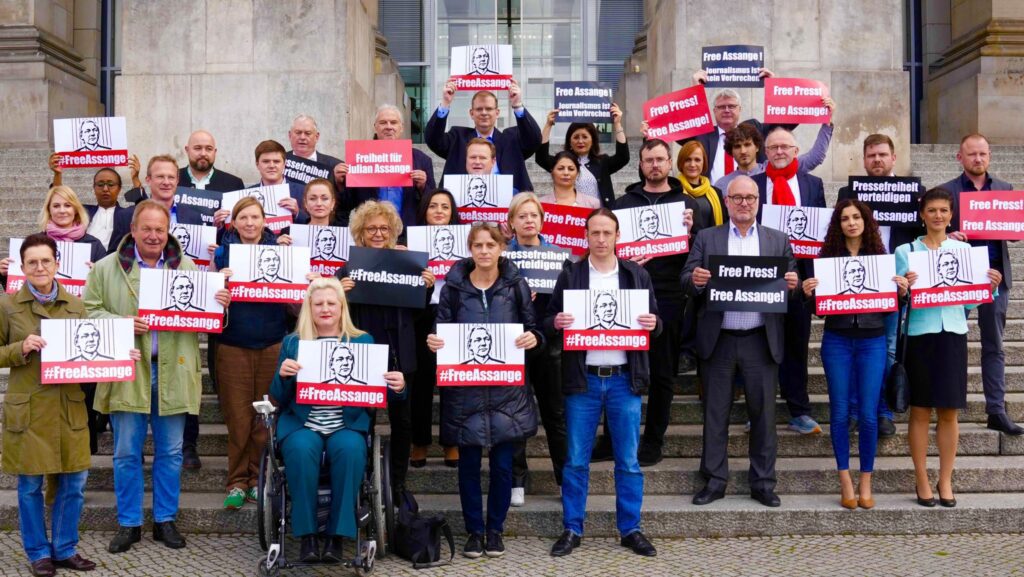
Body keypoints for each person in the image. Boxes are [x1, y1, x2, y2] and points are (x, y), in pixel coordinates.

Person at [84, 200, 230, 553]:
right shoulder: (106, 268)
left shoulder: (190, 268)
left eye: (159, 230)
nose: (153, 235)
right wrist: (119, 325)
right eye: (146, 228)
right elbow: (89, 312)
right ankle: (129, 523)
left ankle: (165, 520)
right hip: (128, 371)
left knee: (171, 452)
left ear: (169, 233)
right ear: (132, 230)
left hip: (174, 369)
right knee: (125, 452)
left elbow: (207, 319)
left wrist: (220, 303)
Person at [1, 234, 139, 576]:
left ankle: (64, 548)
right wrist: (21, 347)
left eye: (46, 261)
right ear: (22, 267)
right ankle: (37, 553)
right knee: (31, 485)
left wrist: (121, 354)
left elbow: (90, 352)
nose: (39, 267)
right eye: (32, 262)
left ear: (57, 264)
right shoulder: (7, 306)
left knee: (74, 483)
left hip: (69, 406)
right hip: (30, 408)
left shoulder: (76, 305)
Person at [545, 208, 660, 558]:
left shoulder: (636, 275)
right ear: (585, 236)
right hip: (584, 381)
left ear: (617, 236)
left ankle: (631, 529)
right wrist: (557, 322)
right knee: (576, 460)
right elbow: (548, 318)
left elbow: (658, 322)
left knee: (628, 460)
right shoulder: (571, 274)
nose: (600, 239)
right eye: (594, 233)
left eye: (606, 233)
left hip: (625, 379)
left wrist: (654, 322)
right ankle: (572, 528)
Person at [426, 222, 542, 559]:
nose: (484, 251)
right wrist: (434, 341)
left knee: (504, 467)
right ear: (470, 249)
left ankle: (495, 530)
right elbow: (440, 330)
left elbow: (533, 328)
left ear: (501, 248)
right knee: (468, 468)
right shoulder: (453, 288)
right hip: (466, 393)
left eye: (490, 245)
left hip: (507, 391)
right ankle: (474, 532)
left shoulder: (516, 284)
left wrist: (533, 338)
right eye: (478, 245)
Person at [682, 175, 798, 508]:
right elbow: (685, 280)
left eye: (750, 197)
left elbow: (793, 282)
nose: (744, 203)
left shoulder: (777, 240)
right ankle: (715, 480)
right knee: (715, 414)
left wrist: (792, 283)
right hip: (719, 340)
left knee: (763, 416)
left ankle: (762, 482)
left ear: (758, 201)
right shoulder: (707, 238)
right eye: (737, 198)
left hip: (760, 340)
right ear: (728, 202)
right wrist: (697, 280)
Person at [271, 277, 406, 563]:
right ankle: (307, 536)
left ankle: (336, 536)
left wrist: (398, 387)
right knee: (299, 449)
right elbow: (278, 397)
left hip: (346, 423)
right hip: (302, 423)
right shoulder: (293, 343)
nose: (325, 309)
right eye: (318, 303)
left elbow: (377, 393)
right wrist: (283, 376)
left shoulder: (362, 341)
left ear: (342, 307)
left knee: (350, 450)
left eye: (332, 303)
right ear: (309, 307)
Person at [896, 187, 1003, 508]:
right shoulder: (905, 251)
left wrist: (990, 286)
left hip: (953, 333)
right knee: (919, 411)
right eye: (932, 210)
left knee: (949, 412)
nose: (938, 216)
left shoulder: (963, 251)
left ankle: (945, 479)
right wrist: (904, 288)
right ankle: (921, 478)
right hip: (920, 335)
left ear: (951, 215)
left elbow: (970, 299)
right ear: (922, 215)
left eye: (943, 210)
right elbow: (900, 299)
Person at [801, 199, 910, 509]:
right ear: (838, 224)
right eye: (845, 218)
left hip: (872, 341)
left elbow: (892, 307)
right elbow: (819, 310)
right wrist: (810, 295)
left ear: (866, 222)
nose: (851, 222)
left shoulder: (881, 258)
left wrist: (902, 293)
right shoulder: (826, 258)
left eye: (856, 217)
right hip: (836, 340)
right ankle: (844, 478)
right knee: (838, 412)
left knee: (867, 414)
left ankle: (866, 480)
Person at [336, 200, 435, 499]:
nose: (378, 233)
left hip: (401, 353)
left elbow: (418, 317)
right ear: (360, 233)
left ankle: (398, 482)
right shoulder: (349, 268)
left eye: (384, 228)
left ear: (393, 232)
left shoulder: (408, 265)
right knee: (361, 419)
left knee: (402, 421)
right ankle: (362, 477)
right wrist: (343, 294)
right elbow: (333, 315)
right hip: (363, 355)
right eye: (371, 228)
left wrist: (426, 288)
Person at [612, 139, 697, 466]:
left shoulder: (687, 204)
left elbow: (698, 259)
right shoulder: (623, 204)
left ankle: (653, 440)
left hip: (669, 297)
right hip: (627, 294)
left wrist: (691, 232)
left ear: (670, 162)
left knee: (663, 373)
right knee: (619, 369)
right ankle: (614, 438)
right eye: (649, 160)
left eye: (660, 159)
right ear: (641, 163)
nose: (655, 165)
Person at [212, 196, 295, 510]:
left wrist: (302, 283)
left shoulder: (282, 255)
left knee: (265, 418)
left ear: (264, 222)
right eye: (243, 218)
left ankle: (259, 480)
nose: (249, 223)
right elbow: (208, 302)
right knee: (238, 417)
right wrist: (219, 289)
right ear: (234, 223)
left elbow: (294, 305)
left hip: (272, 343)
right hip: (233, 345)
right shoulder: (222, 255)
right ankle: (236, 482)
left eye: (254, 217)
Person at [836, 133, 922, 438]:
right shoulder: (850, 191)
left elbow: (925, 234)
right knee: (858, 348)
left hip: (894, 282)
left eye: (882, 155)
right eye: (871, 155)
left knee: (886, 348)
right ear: (864, 159)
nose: (877, 160)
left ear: (894, 158)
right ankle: (859, 409)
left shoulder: (913, 193)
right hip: (855, 281)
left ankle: (883, 411)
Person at [942, 133, 1023, 435]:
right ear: (959, 157)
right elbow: (933, 230)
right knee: (952, 344)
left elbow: (1014, 234)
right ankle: (948, 406)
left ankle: (996, 410)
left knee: (995, 346)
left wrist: (1015, 222)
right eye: (972, 154)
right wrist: (948, 236)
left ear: (989, 156)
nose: (978, 159)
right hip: (959, 280)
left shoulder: (1004, 189)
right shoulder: (947, 191)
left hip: (995, 279)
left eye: (983, 154)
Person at [752, 126, 827, 436]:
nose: (780, 151)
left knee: (796, 345)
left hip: (801, 280)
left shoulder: (813, 184)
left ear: (797, 151)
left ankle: (799, 410)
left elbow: (822, 232)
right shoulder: (753, 185)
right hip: (762, 278)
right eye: (773, 147)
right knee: (761, 348)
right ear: (765, 153)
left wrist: (817, 279)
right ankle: (759, 411)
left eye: (785, 146)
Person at [505, 193, 568, 507]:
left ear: (542, 221)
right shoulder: (502, 258)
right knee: (516, 413)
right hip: (512, 343)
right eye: (522, 216)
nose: (529, 221)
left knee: (555, 414)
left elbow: (568, 299)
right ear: (512, 222)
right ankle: (518, 479)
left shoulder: (559, 257)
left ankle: (564, 478)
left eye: (534, 216)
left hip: (549, 344)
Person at [410, 190, 462, 470]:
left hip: (454, 314)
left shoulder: (466, 244)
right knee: (421, 381)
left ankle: (451, 440)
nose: (439, 210)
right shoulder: (412, 243)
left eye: (445, 206)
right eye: (433, 206)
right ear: (424, 211)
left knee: (452, 381)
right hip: (421, 312)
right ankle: (419, 441)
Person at [425, 81, 542, 192]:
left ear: (497, 113)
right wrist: (445, 103)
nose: (484, 113)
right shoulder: (457, 138)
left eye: (489, 109)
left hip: (508, 207)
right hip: (463, 207)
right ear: (472, 113)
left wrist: (517, 105)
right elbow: (433, 140)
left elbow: (534, 139)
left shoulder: (512, 139)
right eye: (479, 109)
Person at [335, 104, 436, 226]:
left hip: (407, 232)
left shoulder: (422, 160)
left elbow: (433, 202)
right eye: (383, 122)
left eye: (393, 122)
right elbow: (346, 203)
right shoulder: (360, 157)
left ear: (401, 127)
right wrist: (339, 182)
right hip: (371, 230)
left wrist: (422, 187)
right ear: (375, 127)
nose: (389, 127)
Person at [713, 101, 836, 194]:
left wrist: (827, 124)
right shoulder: (722, 185)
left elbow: (815, 158)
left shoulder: (776, 168)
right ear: (731, 151)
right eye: (737, 146)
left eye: (747, 144)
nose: (743, 151)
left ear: (757, 147)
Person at [106, 155, 206, 254]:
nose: (166, 182)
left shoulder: (194, 217)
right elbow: (113, 255)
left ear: (177, 181)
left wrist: (209, 252)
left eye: (171, 177)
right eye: (160, 176)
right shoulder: (126, 216)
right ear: (148, 180)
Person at [536, 105, 630, 207]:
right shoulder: (563, 162)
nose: (580, 141)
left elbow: (623, 157)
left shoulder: (602, 162)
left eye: (585, 137)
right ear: (569, 141)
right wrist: (548, 125)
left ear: (593, 140)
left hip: (597, 217)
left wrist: (617, 124)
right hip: (571, 218)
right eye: (576, 137)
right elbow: (541, 157)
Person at [47, 160, 134, 248]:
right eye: (100, 184)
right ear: (94, 188)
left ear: (119, 188)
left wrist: (136, 180)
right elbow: (59, 198)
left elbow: (144, 208)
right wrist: (57, 174)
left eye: (110, 184)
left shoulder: (127, 214)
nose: (105, 189)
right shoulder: (83, 211)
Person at [247, 140, 305, 223]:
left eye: (276, 161)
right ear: (257, 165)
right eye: (266, 161)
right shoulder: (247, 195)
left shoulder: (303, 192)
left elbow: (316, 223)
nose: (271, 166)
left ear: (285, 164)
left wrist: (298, 213)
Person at [178, 130, 245, 191]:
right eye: (198, 148)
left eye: (209, 149)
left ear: (215, 152)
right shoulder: (171, 181)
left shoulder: (234, 184)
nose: (203, 154)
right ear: (187, 150)